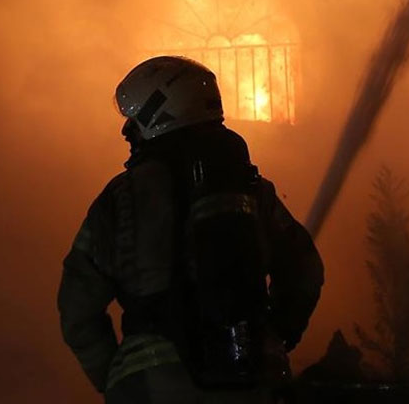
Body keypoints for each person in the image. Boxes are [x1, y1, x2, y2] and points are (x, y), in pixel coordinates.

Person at [58, 56, 324, 404]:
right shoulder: (251, 189)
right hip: (251, 382)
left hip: (150, 388)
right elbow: (304, 269)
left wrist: (115, 375)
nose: (128, 130)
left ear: (160, 112)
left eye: (133, 120)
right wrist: (275, 336)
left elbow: (77, 307)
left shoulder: (119, 197)